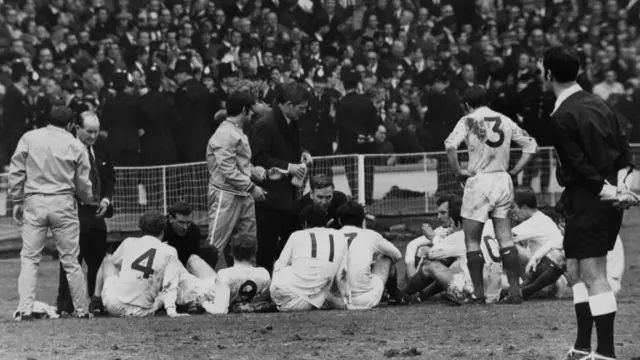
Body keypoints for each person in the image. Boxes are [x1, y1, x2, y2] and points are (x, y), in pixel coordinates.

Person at [541, 46, 638, 360]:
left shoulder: (560, 116)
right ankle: (583, 346)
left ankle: (606, 353)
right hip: (601, 196)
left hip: (590, 197)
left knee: (593, 273)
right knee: (575, 270)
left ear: (548, 74)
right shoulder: (600, 103)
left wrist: (611, 192)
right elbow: (624, 151)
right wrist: (622, 187)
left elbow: (579, 166)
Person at [444, 85, 538, 304]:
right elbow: (531, 146)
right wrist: (515, 170)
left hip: (479, 181)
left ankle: (478, 294)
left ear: (467, 105)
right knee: (505, 238)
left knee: (472, 241)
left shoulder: (468, 121)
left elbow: (450, 146)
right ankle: (515, 291)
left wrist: (458, 171)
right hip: (502, 180)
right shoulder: (504, 120)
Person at [9, 105, 94, 320]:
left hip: (35, 201)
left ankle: (25, 308)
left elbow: (17, 170)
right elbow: (83, 182)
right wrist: (87, 199)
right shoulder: (75, 145)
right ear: (71, 125)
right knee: (71, 261)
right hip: (63, 202)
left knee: (29, 258)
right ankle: (82, 310)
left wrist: (17, 199)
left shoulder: (29, 137)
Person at [206, 91, 278, 267]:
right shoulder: (224, 134)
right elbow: (228, 171)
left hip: (242, 195)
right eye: (251, 110)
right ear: (245, 110)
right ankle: (207, 287)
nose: (253, 114)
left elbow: (241, 167)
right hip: (226, 196)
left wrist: (264, 174)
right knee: (214, 246)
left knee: (248, 246)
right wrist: (252, 188)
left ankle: (247, 287)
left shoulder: (236, 132)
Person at [57, 111, 115, 316]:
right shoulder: (65, 149)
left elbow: (109, 178)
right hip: (74, 210)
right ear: (77, 129)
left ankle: (95, 301)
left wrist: (106, 200)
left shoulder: (102, 149)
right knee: (72, 259)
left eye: (96, 132)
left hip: (98, 213)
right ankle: (65, 306)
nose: (92, 136)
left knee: (97, 259)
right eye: (89, 131)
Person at [250, 82, 312, 273]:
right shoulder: (265, 124)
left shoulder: (291, 122)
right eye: (301, 108)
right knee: (267, 245)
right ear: (289, 105)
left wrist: (303, 154)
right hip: (270, 195)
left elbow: (289, 149)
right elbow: (259, 158)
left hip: (288, 194)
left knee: (288, 242)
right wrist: (288, 167)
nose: (304, 112)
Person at [406, 199, 504, 305]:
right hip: (494, 292)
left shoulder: (461, 235)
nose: (439, 217)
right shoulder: (488, 227)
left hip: (475, 294)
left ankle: (405, 294)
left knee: (431, 266)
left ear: (458, 223)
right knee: (457, 266)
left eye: (452, 222)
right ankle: (423, 295)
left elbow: (432, 254)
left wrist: (435, 238)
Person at [94, 211, 187, 318]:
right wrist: (171, 311)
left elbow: (114, 264)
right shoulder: (170, 251)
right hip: (144, 312)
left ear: (141, 229)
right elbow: (171, 284)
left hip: (115, 306)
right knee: (161, 292)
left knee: (108, 261)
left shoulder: (129, 242)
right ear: (162, 231)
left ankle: (96, 302)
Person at [270, 205, 350, 312]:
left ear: (305, 224)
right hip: (313, 299)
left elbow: (279, 266)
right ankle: (325, 299)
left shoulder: (296, 235)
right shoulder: (340, 236)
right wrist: (347, 301)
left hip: (284, 295)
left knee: (281, 268)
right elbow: (341, 275)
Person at [337, 201, 407, 309]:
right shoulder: (370, 235)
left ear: (339, 220)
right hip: (365, 299)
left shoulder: (331, 236)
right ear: (362, 219)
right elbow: (397, 255)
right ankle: (395, 296)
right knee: (386, 257)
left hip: (338, 299)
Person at [509, 187, 566, 300]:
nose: (512, 211)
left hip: (550, 281)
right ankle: (520, 288)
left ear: (524, 207)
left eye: (513, 207)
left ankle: (522, 289)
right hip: (552, 278)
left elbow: (504, 238)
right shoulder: (541, 218)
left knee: (509, 248)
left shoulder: (535, 222)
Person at [404, 194, 459, 278]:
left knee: (427, 252)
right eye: (438, 213)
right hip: (444, 270)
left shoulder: (465, 229)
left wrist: (433, 237)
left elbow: (450, 251)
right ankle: (411, 283)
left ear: (455, 212)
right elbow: (413, 244)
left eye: (443, 213)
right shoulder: (441, 230)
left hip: (460, 270)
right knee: (423, 250)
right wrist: (410, 266)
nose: (438, 217)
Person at [164, 201, 218, 268]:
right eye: (181, 222)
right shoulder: (161, 230)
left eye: (188, 223)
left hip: (185, 264)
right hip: (164, 265)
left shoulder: (194, 231)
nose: (185, 227)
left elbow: (194, 257)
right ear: (171, 219)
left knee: (211, 251)